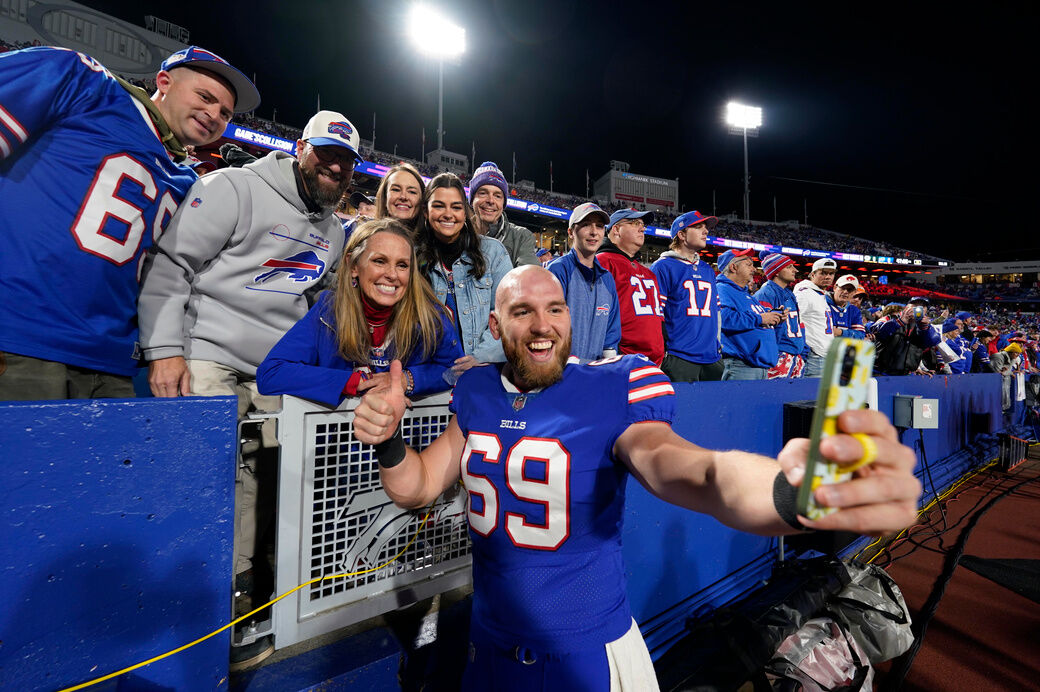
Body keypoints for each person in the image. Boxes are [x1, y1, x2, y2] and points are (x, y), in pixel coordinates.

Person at [352, 265, 921, 691]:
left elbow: (684, 469)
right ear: (496, 325)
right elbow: (418, 486)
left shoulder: (613, 384)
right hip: (489, 644)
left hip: (582, 655)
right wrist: (389, 440)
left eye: (555, 308)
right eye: (522, 311)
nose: (542, 324)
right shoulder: (475, 390)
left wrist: (789, 493)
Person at [138, 108, 363, 670]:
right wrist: (164, 349)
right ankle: (193, 610)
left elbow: (318, 310)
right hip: (208, 353)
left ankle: (253, 593)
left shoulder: (334, 230)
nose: (334, 168)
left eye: (345, 162)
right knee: (206, 481)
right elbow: (172, 263)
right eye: (325, 155)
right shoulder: (235, 187)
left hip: (273, 370)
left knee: (276, 482)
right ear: (300, 150)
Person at [0, 45, 258, 400]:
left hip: (110, 359)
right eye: (205, 96)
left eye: (226, 112)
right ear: (164, 81)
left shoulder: (187, 181)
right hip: (20, 335)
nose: (214, 114)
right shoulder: (84, 81)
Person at [256, 219, 462, 406]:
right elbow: (271, 374)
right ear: (353, 265)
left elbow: (457, 371)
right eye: (379, 261)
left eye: (402, 265)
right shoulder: (329, 309)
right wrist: (354, 382)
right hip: (340, 437)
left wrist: (406, 379)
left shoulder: (430, 316)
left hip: (408, 435)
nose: (392, 275)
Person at [414, 173, 511, 372]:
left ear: (466, 212)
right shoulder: (411, 255)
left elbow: (508, 316)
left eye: (456, 207)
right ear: (425, 211)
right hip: (430, 376)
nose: (448, 214)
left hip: (483, 372)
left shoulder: (493, 252)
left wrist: (479, 358)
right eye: (439, 205)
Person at [651, 210, 725, 382]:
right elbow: (656, 315)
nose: (705, 231)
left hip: (712, 357)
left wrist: (717, 346)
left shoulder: (707, 269)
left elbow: (717, 312)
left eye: (706, 228)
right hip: (679, 357)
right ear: (682, 234)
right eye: (698, 227)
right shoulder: (662, 267)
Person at [547, 202, 621, 362]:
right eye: (586, 225)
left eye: (600, 226)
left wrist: (608, 362)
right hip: (560, 369)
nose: (594, 232)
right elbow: (546, 323)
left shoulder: (607, 278)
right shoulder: (558, 270)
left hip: (595, 372)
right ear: (571, 232)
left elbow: (611, 331)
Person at [598, 208, 665, 365]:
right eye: (635, 223)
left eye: (642, 224)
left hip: (655, 360)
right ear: (616, 229)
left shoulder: (648, 272)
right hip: (622, 359)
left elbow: (658, 318)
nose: (642, 228)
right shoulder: (603, 262)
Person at [716, 249, 782, 380]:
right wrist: (760, 318)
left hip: (757, 365)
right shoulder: (722, 289)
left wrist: (775, 317)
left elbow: (758, 319)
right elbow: (723, 319)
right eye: (749, 264)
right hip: (741, 366)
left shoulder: (745, 294)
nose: (754, 269)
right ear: (733, 267)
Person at [469, 161, 538, 267]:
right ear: (472, 199)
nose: (491, 201)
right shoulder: (457, 234)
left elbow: (530, 278)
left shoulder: (522, 237)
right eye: (483, 193)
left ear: (503, 203)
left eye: (497, 196)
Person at [754, 251, 808, 379]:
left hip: (795, 355)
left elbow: (798, 324)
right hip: (780, 356)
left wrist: (803, 350)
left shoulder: (789, 293)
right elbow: (765, 330)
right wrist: (774, 354)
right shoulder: (765, 294)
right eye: (789, 267)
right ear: (776, 271)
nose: (795, 270)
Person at [794, 258, 838, 377]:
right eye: (823, 273)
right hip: (814, 357)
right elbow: (795, 322)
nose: (828, 277)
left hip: (823, 354)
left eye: (831, 273)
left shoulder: (819, 293)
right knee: (811, 395)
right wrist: (804, 348)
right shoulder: (804, 293)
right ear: (812, 274)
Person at [872, 303, 940, 376]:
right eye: (913, 307)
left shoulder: (922, 326)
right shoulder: (889, 318)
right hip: (881, 373)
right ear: (906, 308)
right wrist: (900, 322)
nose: (916, 309)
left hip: (904, 375)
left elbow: (932, 343)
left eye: (922, 307)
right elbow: (876, 332)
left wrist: (925, 329)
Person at [375, 162, 425, 234]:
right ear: (385, 197)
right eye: (396, 190)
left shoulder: (432, 243)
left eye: (412, 192)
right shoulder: (366, 238)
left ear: (421, 200)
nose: (403, 197)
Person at [829, 275, 867, 340]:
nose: (845, 292)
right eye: (843, 288)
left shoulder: (854, 310)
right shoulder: (823, 303)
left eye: (850, 290)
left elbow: (860, 335)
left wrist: (840, 332)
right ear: (835, 287)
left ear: (854, 292)